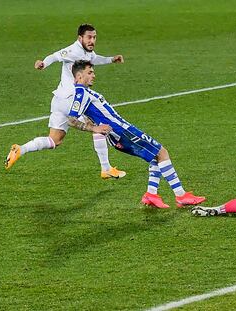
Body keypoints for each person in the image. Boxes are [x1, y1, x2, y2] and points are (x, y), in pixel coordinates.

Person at [67, 60, 206, 208]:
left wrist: (95, 124)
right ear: (79, 76)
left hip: (119, 133)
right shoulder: (81, 92)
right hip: (123, 132)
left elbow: (88, 114)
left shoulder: (85, 92)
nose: (94, 75)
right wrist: (94, 129)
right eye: (90, 73)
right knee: (162, 152)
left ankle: (151, 194)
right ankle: (181, 195)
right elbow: (71, 119)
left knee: (154, 156)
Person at [5, 24, 125, 179]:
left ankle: (20, 149)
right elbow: (55, 56)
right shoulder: (73, 50)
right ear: (80, 38)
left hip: (58, 100)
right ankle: (106, 168)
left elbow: (95, 59)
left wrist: (111, 59)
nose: (92, 40)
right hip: (72, 100)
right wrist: (43, 63)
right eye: (89, 37)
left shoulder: (88, 53)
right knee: (98, 126)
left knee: (54, 140)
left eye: (94, 37)